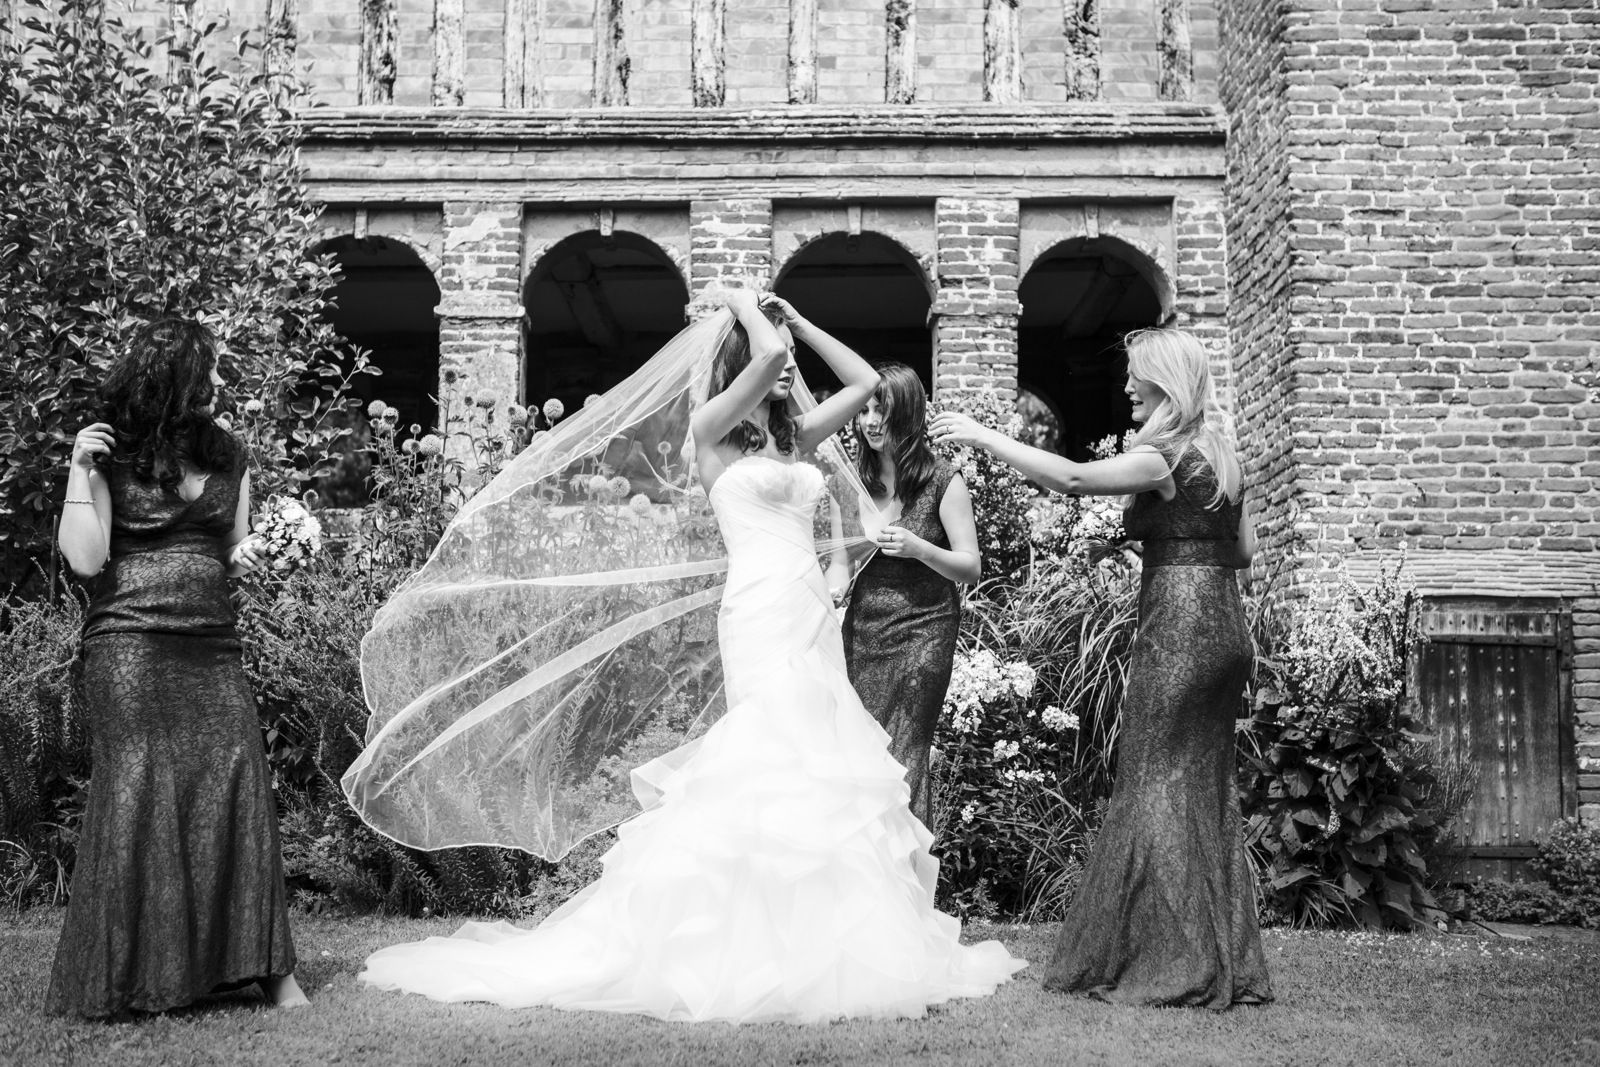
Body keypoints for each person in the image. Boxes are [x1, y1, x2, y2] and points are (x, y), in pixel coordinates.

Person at [355, 289, 1025, 1023]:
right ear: (742, 361)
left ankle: (812, 937)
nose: (788, 368)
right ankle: (737, 939)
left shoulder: (796, 440)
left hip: (808, 607)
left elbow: (865, 382)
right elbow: (767, 356)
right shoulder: (709, 430)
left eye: (791, 361)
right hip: (759, 608)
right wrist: (742, 301)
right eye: (777, 360)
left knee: (820, 758)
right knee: (768, 748)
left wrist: (799, 322)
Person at [931, 326, 1271, 1010]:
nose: (1124, 387)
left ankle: (1171, 962)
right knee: (1202, 787)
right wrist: (1150, 537)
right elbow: (1240, 554)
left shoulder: (1163, 454)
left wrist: (981, 434)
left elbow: (1075, 478)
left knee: (1153, 780)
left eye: (1135, 376)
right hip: (1225, 627)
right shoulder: (1223, 455)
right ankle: (1213, 953)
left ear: (1164, 384)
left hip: (1177, 628)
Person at [49, 318, 305, 1017]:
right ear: (175, 380)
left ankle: (268, 969)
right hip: (131, 644)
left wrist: (274, 550)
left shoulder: (230, 455)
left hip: (211, 646)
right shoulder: (111, 453)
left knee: (237, 778)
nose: (219, 382)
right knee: (139, 791)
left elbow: (234, 546)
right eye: (211, 371)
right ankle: (143, 974)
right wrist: (79, 471)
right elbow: (86, 559)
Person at [842, 363, 980, 827]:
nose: (870, 421)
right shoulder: (855, 481)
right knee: (857, 751)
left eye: (882, 409)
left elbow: (970, 566)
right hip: (863, 631)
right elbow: (840, 560)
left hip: (925, 631)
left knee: (905, 749)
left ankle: (909, 877)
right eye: (864, 410)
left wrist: (920, 548)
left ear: (910, 414)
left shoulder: (944, 479)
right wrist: (830, 589)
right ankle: (864, 876)